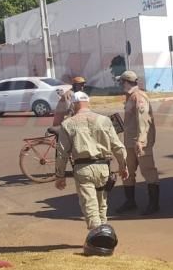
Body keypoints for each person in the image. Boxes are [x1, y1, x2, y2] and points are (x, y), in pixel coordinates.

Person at [55, 91, 128, 230]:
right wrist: (123, 166)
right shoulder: (104, 120)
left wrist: (60, 176)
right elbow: (118, 147)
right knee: (102, 204)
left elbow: (62, 154)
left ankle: (98, 239)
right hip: (103, 169)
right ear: (88, 102)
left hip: (83, 170)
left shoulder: (68, 124)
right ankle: (104, 233)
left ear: (74, 104)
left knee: (90, 206)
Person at [114, 70, 160, 216]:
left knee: (148, 172)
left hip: (140, 142)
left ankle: (154, 204)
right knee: (127, 171)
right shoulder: (129, 97)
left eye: (121, 82)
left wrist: (140, 141)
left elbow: (144, 121)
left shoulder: (139, 97)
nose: (120, 85)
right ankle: (130, 201)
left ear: (126, 82)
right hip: (129, 141)